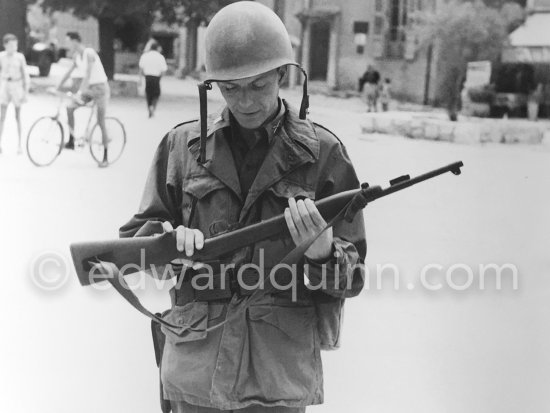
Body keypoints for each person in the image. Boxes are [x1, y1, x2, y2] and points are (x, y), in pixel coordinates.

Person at [119, 2, 366, 412]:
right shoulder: (182, 146)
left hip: (277, 371)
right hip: (198, 364)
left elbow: (353, 275)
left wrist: (323, 254)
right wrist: (169, 245)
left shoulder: (323, 153)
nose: (245, 101)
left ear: (281, 76)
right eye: (231, 88)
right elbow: (135, 244)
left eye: (258, 86)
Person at [56, 31, 110, 167]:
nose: (67, 44)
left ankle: (105, 156)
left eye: (68, 41)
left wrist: (80, 91)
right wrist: (58, 86)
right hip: (88, 89)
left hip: (100, 89)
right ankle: (71, 140)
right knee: (69, 107)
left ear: (75, 41)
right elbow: (69, 72)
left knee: (100, 121)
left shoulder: (89, 53)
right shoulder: (76, 56)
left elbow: (88, 74)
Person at [0, 33, 30, 155]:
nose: (13, 47)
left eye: (15, 45)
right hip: (6, 85)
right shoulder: (1, 56)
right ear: (5, 45)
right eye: (11, 45)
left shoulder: (20, 57)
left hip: (17, 86)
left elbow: (25, 75)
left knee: (17, 117)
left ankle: (19, 145)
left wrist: (25, 92)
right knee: (2, 117)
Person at [139, 40, 168, 118]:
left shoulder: (145, 56)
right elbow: (164, 70)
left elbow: (141, 69)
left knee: (148, 94)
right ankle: (153, 107)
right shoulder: (160, 57)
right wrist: (160, 78)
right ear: (157, 48)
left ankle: (149, 107)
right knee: (156, 94)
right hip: (156, 77)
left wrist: (140, 79)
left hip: (147, 76)